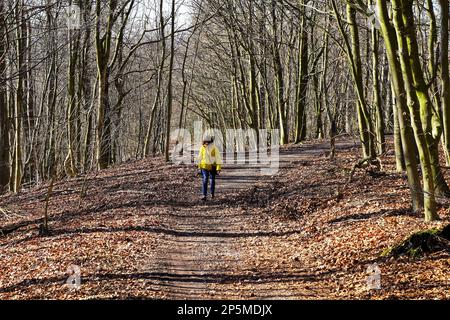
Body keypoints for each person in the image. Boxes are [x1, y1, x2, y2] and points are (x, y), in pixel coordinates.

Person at [197, 135, 222, 201]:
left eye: (208, 142)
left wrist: (218, 167)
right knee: (205, 180)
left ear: (211, 142)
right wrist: (199, 167)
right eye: (205, 142)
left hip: (213, 166)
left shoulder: (215, 148)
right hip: (204, 166)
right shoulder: (202, 148)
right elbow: (199, 157)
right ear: (204, 142)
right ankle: (204, 195)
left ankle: (212, 194)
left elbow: (218, 158)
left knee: (212, 180)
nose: (207, 143)